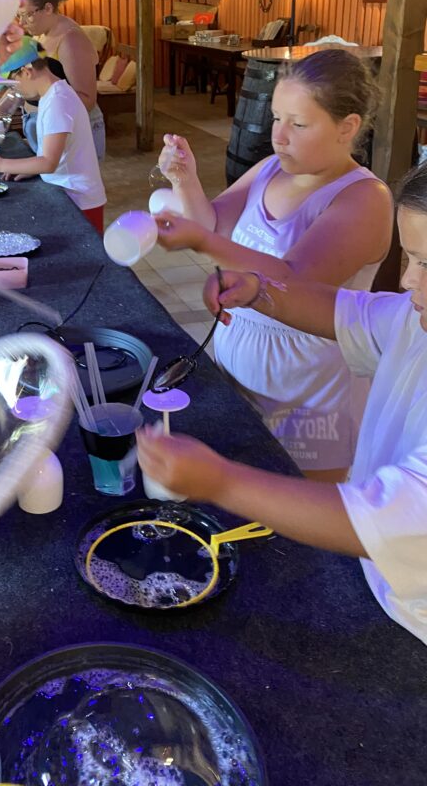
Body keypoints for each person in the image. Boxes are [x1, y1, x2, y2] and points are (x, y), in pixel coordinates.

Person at [137, 160, 427, 646]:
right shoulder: (412, 320)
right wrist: (259, 291)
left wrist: (219, 480)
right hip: (381, 578)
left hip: (413, 624)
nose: (407, 281)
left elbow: (381, 516)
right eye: (410, 259)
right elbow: (346, 312)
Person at [152, 50, 393, 480]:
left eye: (298, 124)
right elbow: (212, 223)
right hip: (239, 372)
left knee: (300, 501)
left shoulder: (363, 198)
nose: (278, 136)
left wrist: (203, 242)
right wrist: (184, 179)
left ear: (347, 127)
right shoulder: (268, 170)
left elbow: (292, 281)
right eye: (277, 117)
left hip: (308, 392)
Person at [0, 37, 106, 233]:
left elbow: (48, 162)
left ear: (27, 71)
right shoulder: (54, 95)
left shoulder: (58, 101)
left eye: (13, 84)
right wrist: (30, 168)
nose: (14, 90)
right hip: (69, 195)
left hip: (80, 201)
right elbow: (56, 155)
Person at [19, 0, 106, 160]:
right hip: (50, 129)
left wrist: (36, 97)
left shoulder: (70, 40)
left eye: (27, 15)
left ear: (48, 8)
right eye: (19, 15)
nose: (21, 22)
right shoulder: (41, 34)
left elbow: (87, 100)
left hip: (71, 133)